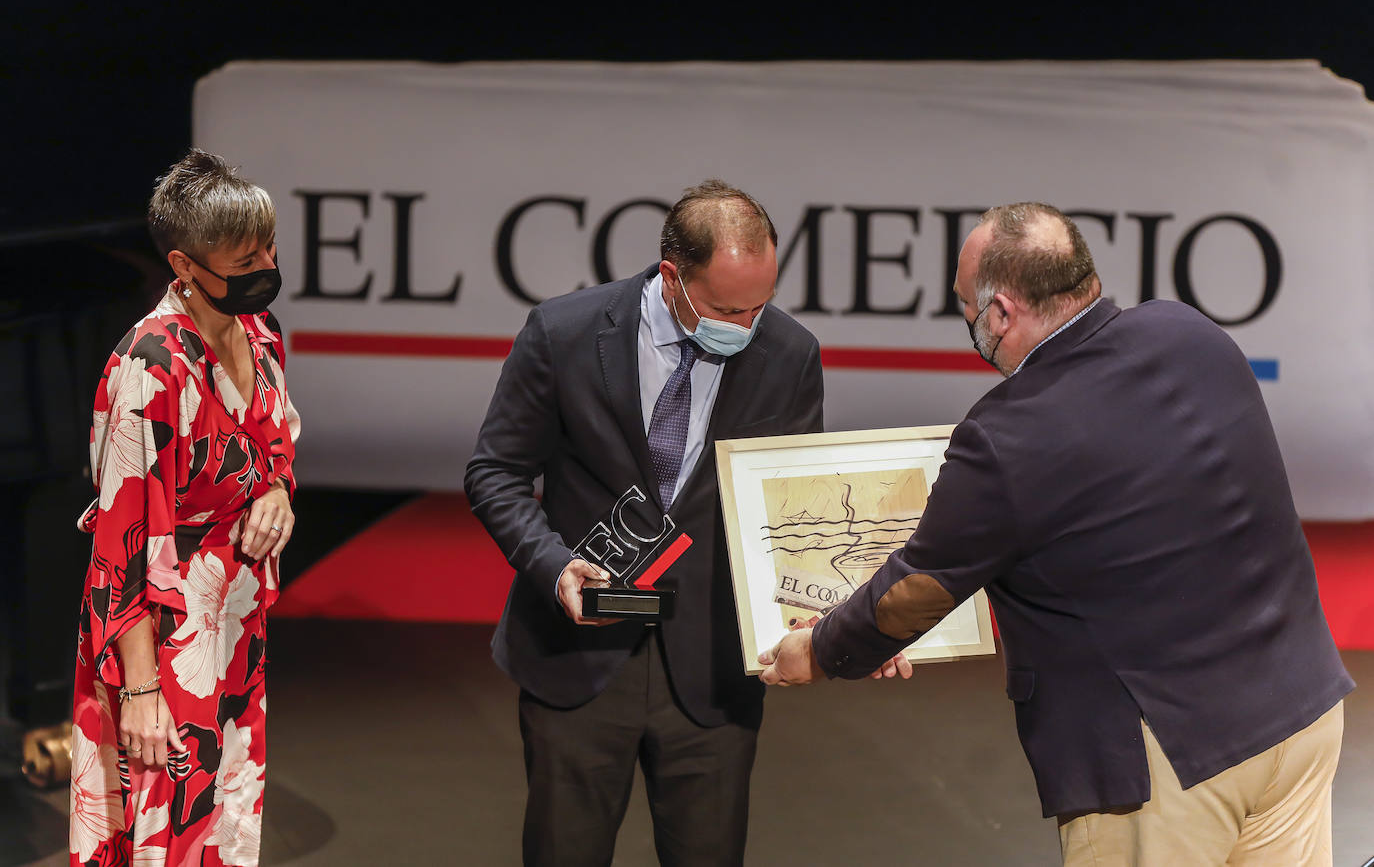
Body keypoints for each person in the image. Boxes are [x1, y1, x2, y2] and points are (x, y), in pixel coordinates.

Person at [759, 202, 1354, 866]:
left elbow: (915, 592)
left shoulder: (1008, 436)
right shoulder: (1190, 333)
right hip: (1303, 712)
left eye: (964, 305)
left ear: (1002, 313)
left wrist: (819, 653)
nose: (965, 320)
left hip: (1169, 762)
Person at [465, 180, 825, 866]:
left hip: (714, 670)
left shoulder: (789, 353)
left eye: (761, 304)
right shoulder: (564, 332)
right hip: (575, 660)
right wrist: (554, 564)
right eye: (726, 308)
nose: (747, 326)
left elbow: (790, 506)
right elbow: (495, 473)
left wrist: (818, 610)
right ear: (671, 276)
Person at [68, 150, 300, 867]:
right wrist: (140, 692)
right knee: (164, 832)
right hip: (162, 641)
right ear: (186, 265)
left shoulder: (261, 336)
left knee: (228, 818)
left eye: (267, 245)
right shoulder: (152, 367)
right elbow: (121, 543)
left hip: (235, 623)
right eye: (243, 255)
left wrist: (276, 491)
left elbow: (275, 444)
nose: (263, 263)